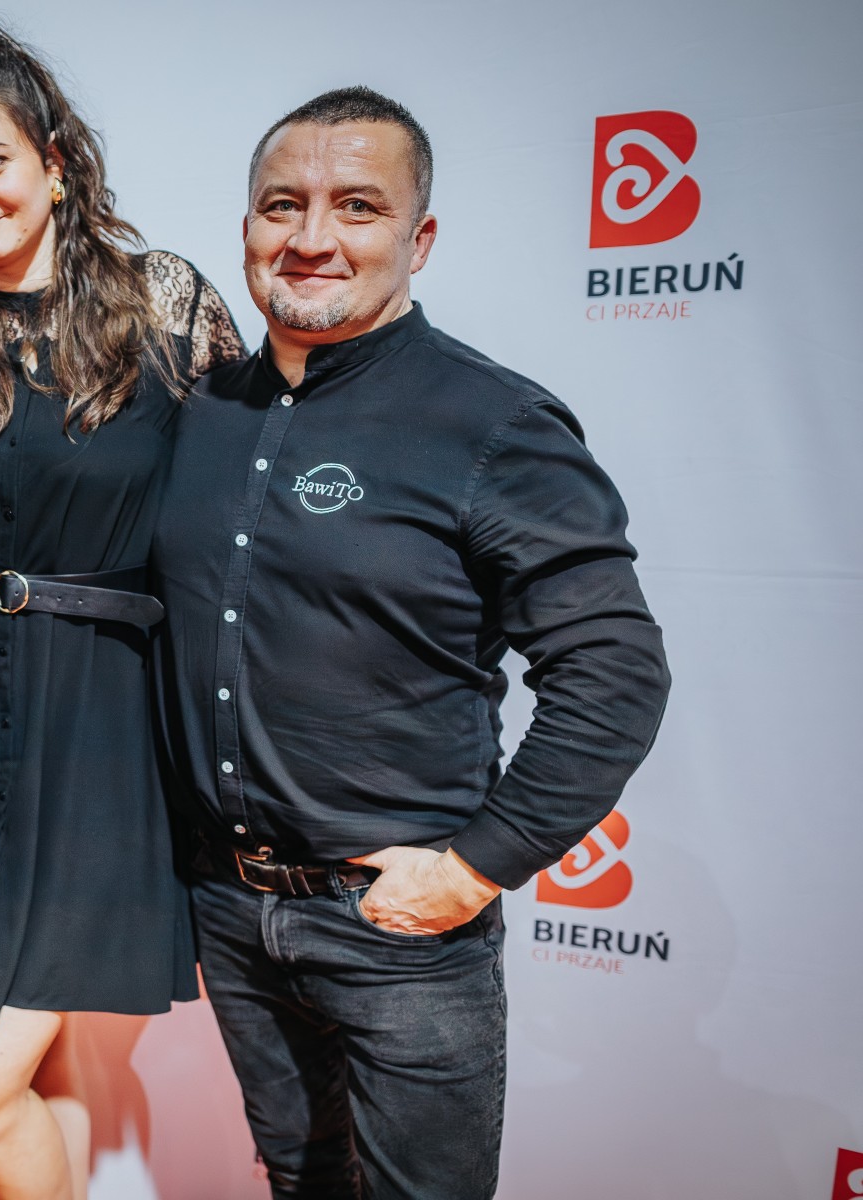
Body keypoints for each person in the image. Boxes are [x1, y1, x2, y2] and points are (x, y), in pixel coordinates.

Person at [152, 86, 673, 1199]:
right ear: (245, 227)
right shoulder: (202, 414)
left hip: (399, 932)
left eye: (358, 206)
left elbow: (615, 671)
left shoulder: (493, 423)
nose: (312, 237)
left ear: (419, 239)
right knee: (300, 1183)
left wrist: (477, 865)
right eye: (282, 205)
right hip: (231, 911)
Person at [0, 21, 246, 1200]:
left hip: (102, 731)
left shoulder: (166, 304)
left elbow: (239, 509)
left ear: (54, 163)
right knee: (40, 1068)